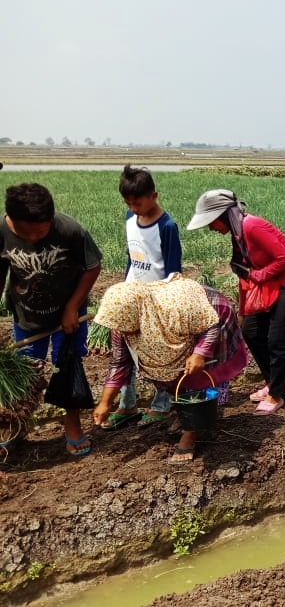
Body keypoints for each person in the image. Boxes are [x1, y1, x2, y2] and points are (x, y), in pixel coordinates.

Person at [92, 276, 249, 464]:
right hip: (187, 322)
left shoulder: (173, 308)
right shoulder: (122, 321)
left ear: (138, 312)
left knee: (195, 376)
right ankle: (185, 413)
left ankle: (190, 433)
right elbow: (120, 363)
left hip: (211, 315)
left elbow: (210, 325)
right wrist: (105, 403)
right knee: (172, 372)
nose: (126, 332)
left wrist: (200, 353)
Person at [187, 189, 285, 415]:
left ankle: (276, 394)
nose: (211, 228)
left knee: (277, 341)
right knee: (251, 332)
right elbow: (245, 273)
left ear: (223, 215)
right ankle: (277, 383)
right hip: (270, 283)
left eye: (211, 222)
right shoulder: (238, 235)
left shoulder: (251, 226)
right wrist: (243, 309)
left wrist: (260, 276)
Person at [0, 183, 102, 456]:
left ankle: (72, 426)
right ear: (10, 220)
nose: (33, 238)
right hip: (27, 317)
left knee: (66, 368)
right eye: (26, 232)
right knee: (23, 374)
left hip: (67, 315)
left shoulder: (69, 230)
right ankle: (16, 427)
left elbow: (93, 266)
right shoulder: (1, 232)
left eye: (40, 231)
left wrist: (72, 306)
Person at [100, 165, 185, 431]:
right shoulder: (129, 218)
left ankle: (162, 404)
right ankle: (127, 404)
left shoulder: (167, 226)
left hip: (157, 301)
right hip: (131, 298)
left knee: (157, 356)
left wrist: (168, 302)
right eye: (128, 202)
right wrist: (125, 287)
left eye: (137, 202)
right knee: (123, 352)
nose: (133, 207)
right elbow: (132, 258)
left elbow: (173, 269)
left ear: (154, 195)